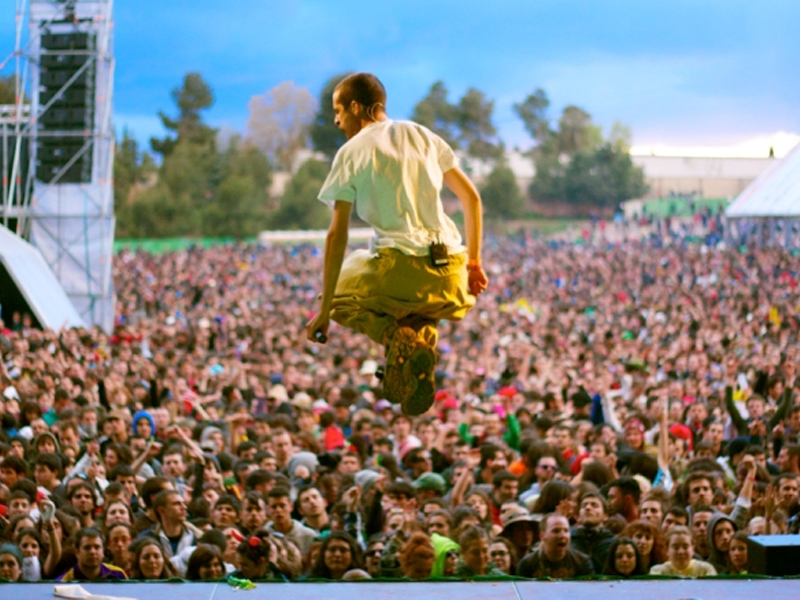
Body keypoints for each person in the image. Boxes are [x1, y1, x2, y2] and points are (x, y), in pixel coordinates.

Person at [306, 72, 488, 415]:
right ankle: (420, 355)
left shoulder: (351, 151)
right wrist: (475, 265)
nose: (335, 119)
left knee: (337, 296)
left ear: (356, 107)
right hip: (451, 273)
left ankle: (392, 340)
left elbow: (336, 235)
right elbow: (472, 199)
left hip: (402, 268)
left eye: (339, 110)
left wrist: (323, 312)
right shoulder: (424, 135)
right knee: (420, 309)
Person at [517, 513, 594, 579]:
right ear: (542, 535)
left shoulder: (582, 562)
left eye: (566, 531)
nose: (562, 535)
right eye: (556, 531)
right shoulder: (527, 565)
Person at [56, 527, 127, 581]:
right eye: (87, 548)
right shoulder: (64, 581)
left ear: (103, 551)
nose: (92, 552)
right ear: (77, 552)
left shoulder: (118, 575)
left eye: (97, 547)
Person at [649, 526, 717, 577]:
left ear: (693, 548)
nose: (681, 552)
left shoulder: (705, 569)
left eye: (685, 547)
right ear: (667, 550)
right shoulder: (657, 571)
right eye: (676, 547)